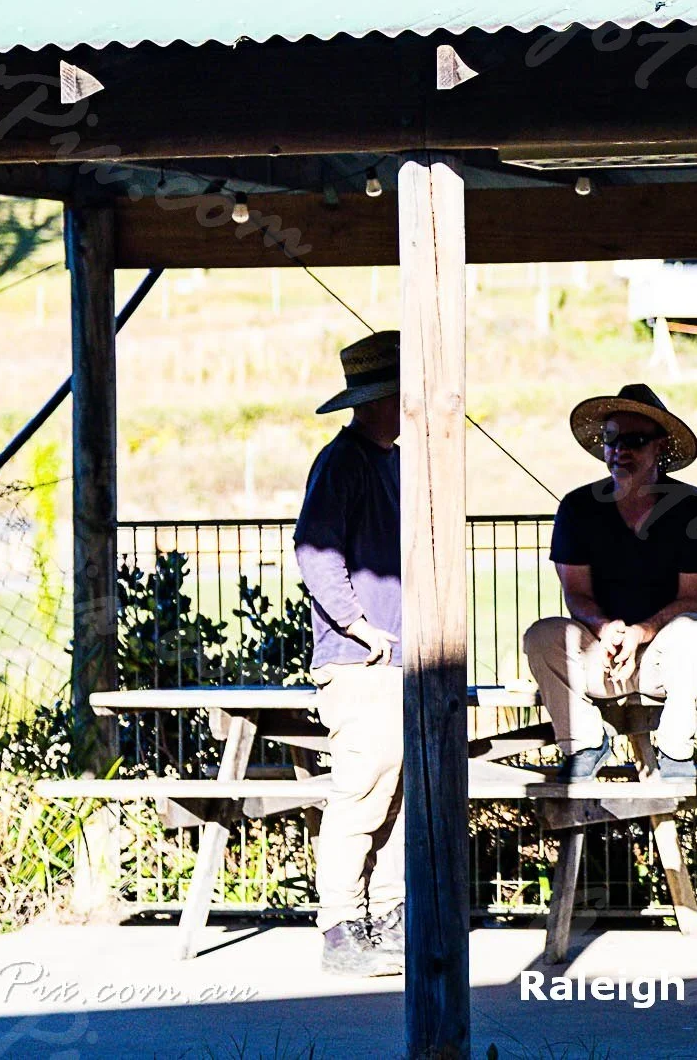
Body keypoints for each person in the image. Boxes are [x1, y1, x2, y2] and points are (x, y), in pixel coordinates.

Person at [524, 384, 697, 783]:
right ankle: (583, 743)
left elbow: (692, 599)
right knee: (542, 635)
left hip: (666, 659)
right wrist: (606, 630)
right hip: (601, 654)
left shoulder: (695, 508)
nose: (620, 450)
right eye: (611, 439)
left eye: (634, 440)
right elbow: (575, 593)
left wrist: (640, 633)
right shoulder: (577, 507)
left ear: (659, 446)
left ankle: (676, 749)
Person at [293, 331, 407, 977]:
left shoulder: (391, 461)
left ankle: (387, 914)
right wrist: (361, 626)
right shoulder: (342, 462)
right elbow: (315, 552)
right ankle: (339, 923)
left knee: (394, 793)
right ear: (380, 399)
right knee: (363, 787)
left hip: (394, 657)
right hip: (361, 660)